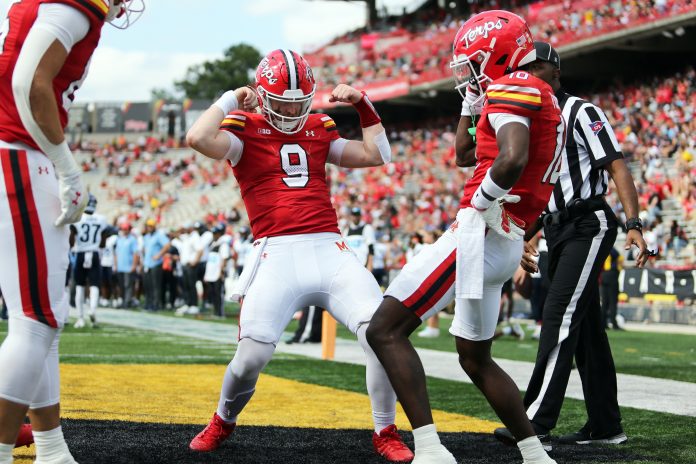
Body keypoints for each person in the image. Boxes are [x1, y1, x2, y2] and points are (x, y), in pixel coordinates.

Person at [185, 49, 412, 462]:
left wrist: (362, 103)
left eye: (298, 100)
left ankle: (386, 429)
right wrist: (232, 98)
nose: (291, 108)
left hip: (330, 247)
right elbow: (198, 138)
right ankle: (223, 418)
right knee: (251, 356)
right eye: (283, 100)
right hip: (276, 252)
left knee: (381, 335)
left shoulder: (318, 126)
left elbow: (377, 154)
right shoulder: (243, 126)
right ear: (261, 94)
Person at [366, 11, 563, 464]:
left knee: (385, 329)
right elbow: (462, 154)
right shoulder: (528, 92)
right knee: (474, 359)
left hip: (481, 233)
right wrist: (473, 100)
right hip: (503, 238)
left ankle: (431, 450)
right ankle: (535, 454)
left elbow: (510, 159)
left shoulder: (517, 86)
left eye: (474, 63)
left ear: (498, 54)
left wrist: (480, 205)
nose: (468, 73)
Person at [0, 1, 144, 463]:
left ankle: (52, 449)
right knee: (36, 320)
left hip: (17, 151)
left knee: (44, 319)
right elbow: (27, 82)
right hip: (17, 152)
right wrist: (68, 169)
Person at [493, 41, 649, 450]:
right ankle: (605, 425)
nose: (526, 74)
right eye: (521, 68)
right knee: (586, 332)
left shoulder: (581, 111)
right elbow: (541, 192)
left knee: (559, 316)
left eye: (535, 67)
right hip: (557, 227)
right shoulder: (532, 119)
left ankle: (534, 422)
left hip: (588, 222)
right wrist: (526, 237)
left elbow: (615, 164)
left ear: (555, 71)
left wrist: (633, 222)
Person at [69, 194, 108, 328]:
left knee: (79, 286)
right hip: (95, 254)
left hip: (80, 253)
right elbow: (103, 242)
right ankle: (92, 310)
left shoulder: (77, 219)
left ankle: (80, 318)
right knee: (94, 285)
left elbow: (71, 240)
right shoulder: (102, 219)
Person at [142, 218, 170, 311]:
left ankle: (156, 304)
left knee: (156, 285)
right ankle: (148, 303)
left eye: (151, 226)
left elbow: (167, 245)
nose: (149, 227)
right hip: (147, 263)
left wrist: (159, 255)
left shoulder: (159, 235)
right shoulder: (146, 236)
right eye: (148, 226)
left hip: (156, 263)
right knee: (147, 285)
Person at [114, 222, 139, 309]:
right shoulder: (120, 239)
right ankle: (123, 300)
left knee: (128, 285)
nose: (124, 230)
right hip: (120, 267)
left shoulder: (132, 239)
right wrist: (116, 265)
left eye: (126, 229)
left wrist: (134, 265)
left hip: (128, 266)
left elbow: (136, 253)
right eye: (123, 229)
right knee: (121, 285)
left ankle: (127, 302)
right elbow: (116, 254)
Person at [601, 247, 622, 329]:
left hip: (603, 275)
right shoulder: (612, 249)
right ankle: (613, 323)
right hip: (612, 275)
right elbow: (620, 259)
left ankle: (603, 323)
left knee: (604, 302)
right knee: (613, 301)